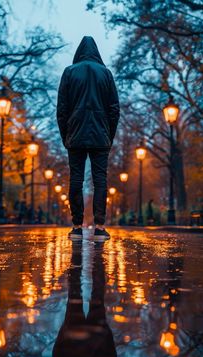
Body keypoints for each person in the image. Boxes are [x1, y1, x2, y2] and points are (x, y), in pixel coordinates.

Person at [57, 36, 120, 240]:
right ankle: (100, 227)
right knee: (100, 179)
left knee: (76, 178)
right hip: (101, 134)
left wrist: (65, 134)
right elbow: (114, 109)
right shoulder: (106, 73)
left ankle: (77, 226)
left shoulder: (69, 72)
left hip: (75, 133)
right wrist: (109, 135)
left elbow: (62, 109)